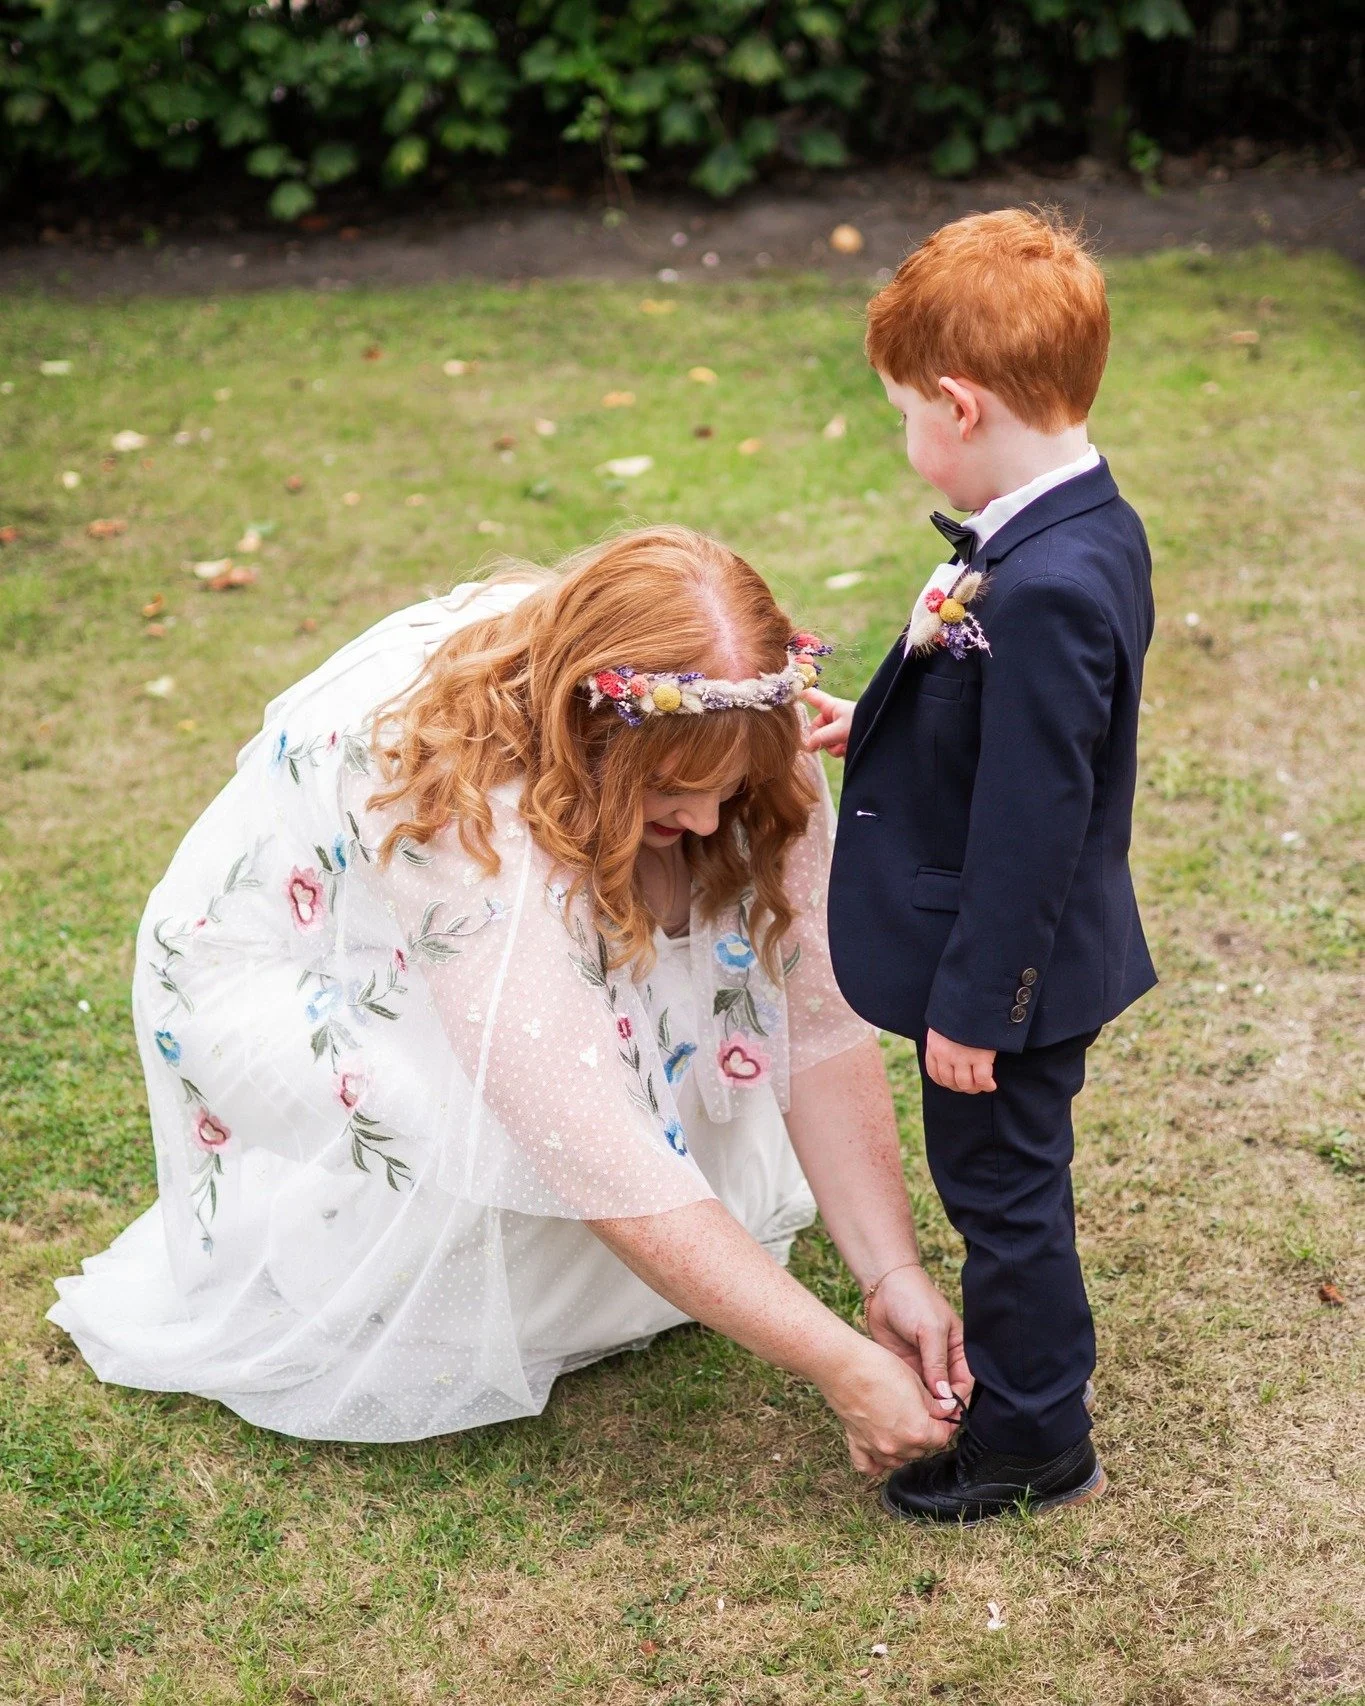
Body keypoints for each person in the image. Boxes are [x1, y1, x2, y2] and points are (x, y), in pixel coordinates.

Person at [50, 525, 968, 1471]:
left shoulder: (740, 716)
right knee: (512, 1125)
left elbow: (812, 1017)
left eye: (727, 791)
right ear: (590, 736)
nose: (704, 820)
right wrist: (840, 1369)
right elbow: (589, 1140)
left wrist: (889, 1271)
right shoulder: (447, 786)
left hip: (519, 898)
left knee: (676, 1019)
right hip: (293, 976)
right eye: (674, 791)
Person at [806, 209, 1157, 1522]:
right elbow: (1000, 740)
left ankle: (1031, 1436)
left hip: (1002, 973)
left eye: (903, 414)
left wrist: (977, 1004)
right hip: (1005, 960)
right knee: (1003, 1184)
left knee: (1004, 1202)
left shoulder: (1046, 582)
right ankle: (1031, 1411)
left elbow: (1035, 818)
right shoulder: (1078, 526)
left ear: (959, 406)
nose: (905, 442)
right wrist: (874, 724)